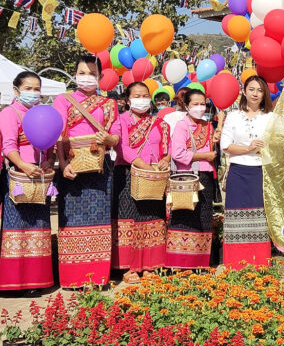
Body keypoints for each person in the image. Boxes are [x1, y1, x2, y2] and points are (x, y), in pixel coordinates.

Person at [53, 55, 119, 288]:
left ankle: (98, 276)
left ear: (100, 77)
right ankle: (73, 278)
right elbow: (58, 134)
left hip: (101, 167)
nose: (87, 77)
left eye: (92, 73)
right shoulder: (63, 100)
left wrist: (109, 138)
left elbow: (115, 135)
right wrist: (62, 164)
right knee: (71, 220)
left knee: (100, 219)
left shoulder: (110, 104)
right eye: (82, 72)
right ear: (75, 74)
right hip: (72, 165)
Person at [110, 82, 171, 283]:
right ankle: (129, 267)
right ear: (128, 100)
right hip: (128, 174)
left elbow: (167, 148)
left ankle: (149, 265)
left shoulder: (159, 123)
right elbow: (121, 147)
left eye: (145, 95)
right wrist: (141, 164)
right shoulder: (120, 121)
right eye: (137, 95)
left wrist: (165, 160)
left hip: (152, 178)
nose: (142, 99)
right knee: (129, 220)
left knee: (151, 218)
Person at [0, 71, 55, 292]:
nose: (34, 93)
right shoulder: (10, 113)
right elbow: (9, 146)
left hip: (39, 179)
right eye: (28, 88)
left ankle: (36, 282)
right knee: (16, 229)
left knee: (39, 229)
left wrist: (49, 160)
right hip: (19, 177)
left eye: (37, 89)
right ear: (16, 90)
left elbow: (49, 145)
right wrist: (24, 166)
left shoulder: (43, 113)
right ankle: (13, 284)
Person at [220, 75, 274, 268]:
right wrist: (248, 148)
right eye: (252, 89)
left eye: (260, 90)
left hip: (260, 172)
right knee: (236, 218)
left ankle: (259, 262)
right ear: (244, 91)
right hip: (238, 172)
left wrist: (264, 148)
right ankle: (235, 263)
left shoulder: (270, 117)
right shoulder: (234, 116)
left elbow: (276, 145)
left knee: (259, 218)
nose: (255, 94)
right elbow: (225, 145)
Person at [167, 89, 219, 269]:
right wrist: (205, 156)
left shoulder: (208, 126)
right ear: (186, 106)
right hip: (187, 176)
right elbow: (178, 153)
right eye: (195, 104)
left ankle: (201, 261)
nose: (199, 107)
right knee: (184, 216)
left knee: (203, 218)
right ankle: (180, 262)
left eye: (202, 104)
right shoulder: (182, 126)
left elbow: (213, 151)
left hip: (205, 176)